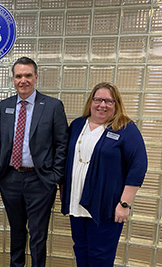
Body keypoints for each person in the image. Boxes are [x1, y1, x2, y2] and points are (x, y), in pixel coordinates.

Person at [61, 82, 147, 266]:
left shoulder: (125, 129)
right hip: (77, 202)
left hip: (106, 207)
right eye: (98, 99)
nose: (102, 105)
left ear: (116, 104)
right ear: (91, 101)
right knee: (81, 250)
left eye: (109, 101)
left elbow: (138, 166)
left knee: (100, 257)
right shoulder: (77, 125)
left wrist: (125, 203)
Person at [0, 57, 69, 267]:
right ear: (13, 79)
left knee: (38, 235)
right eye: (19, 76)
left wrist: (54, 177)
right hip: (10, 179)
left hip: (40, 180)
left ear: (36, 77)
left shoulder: (52, 106)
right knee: (16, 232)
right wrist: (0, 172)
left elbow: (62, 144)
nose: (23, 80)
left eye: (28, 75)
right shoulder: (4, 107)